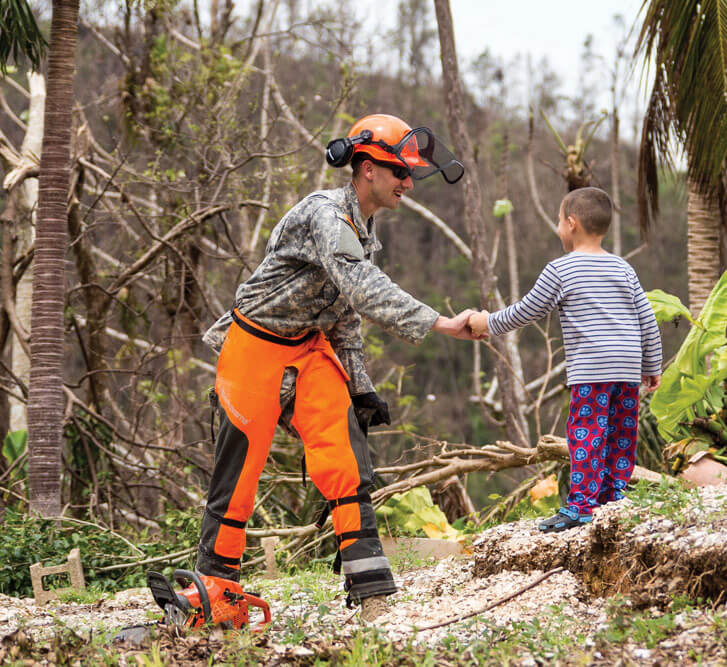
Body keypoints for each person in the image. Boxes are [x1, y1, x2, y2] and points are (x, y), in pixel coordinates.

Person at [191, 114, 477, 624]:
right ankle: (215, 594)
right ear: (366, 168)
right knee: (237, 478)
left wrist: (359, 386)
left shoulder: (364, 231)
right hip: (254, 344)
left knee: (347, 463)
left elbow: (344, 316)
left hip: (308, 348)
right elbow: (364, 289)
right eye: (399, 174)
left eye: (409, 175)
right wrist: (441, 323)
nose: (407, 184)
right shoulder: (326, 215)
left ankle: (372, 596)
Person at [469, 187, 662, 532]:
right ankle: (613, 497)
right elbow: (646, 317)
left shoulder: (561, 270)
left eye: (559, 221)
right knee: (620, 432)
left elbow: (526, 311)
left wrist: (488, 322)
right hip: (628, 366)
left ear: (571, 224)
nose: (558, 227)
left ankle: (582, 506)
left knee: (587, 433)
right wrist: (652, 365)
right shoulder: (623, 268)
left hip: (592, 369)